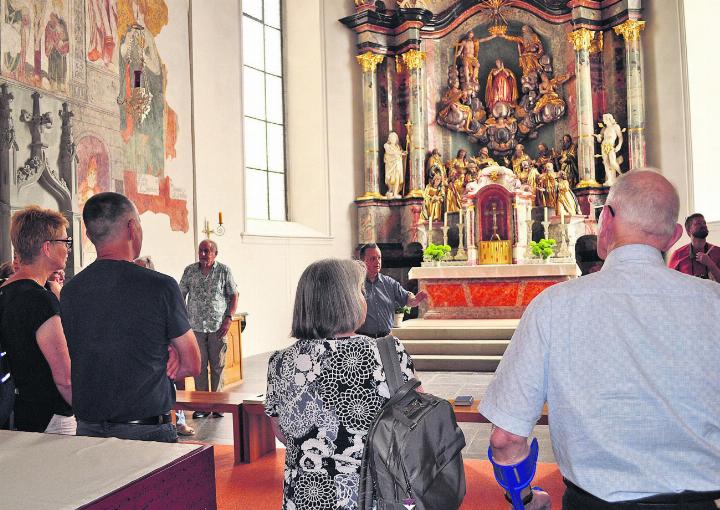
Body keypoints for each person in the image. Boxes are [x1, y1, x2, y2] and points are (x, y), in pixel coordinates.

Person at [480, 170, 720, 509]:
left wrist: (523, 499)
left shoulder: (553, 306)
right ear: (674, 236)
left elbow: (505, 439)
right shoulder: (714, 302)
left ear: (605, 218)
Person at [265, 258, 417, 510]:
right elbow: (414, 420)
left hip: (305, 496)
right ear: (347, 300)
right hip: (371, 495)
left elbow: (281, 431)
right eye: (359, 291)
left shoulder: (280, 361)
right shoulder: (388, 352)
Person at [61, 192, 200, 442]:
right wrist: (169, 354)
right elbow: (192, 364)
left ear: (90, 235)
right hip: (145, 432)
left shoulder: (70, 291)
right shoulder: (160, 286)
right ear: (131, 227)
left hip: (88, 431)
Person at [0, 206, 74, 434]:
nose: (68, 248)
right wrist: (90, 413)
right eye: (65, 241)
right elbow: (64, 379)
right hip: (52, 415)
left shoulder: (5, 291)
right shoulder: (40, 299)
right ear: (47, 248)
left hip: (22, 412)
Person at [134, 255, 195, 436]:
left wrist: (174, 349)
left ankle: (180, 421)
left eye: (140, 269)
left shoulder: (160, 291)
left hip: (165, 356)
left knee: (172, 388)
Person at [179, 239, 238, 419]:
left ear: (215, 253)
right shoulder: (190, 271)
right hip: (195, 327)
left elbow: (233, 295)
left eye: (207, 251)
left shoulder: (224, 271)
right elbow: (180, 294)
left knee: (218, 366)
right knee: (199, 367)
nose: (203, 254)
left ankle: (218, 405)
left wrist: (228, 318)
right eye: (201, 251)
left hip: (217, 327)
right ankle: (203, 406)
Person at [357, 244, 427, 338]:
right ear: (362, 261)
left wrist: (415, 300)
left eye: (379, 258)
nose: (377, 261)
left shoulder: (389, 283)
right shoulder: (355, 284)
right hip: (364, 339)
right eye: (373, 258)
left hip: (386, 338)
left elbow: (407, 298)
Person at [668, 213, 720, 281]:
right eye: (698, 223)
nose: (703, 225)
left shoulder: (718, 252)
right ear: (689, 231)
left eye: (704, 223)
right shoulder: (677, 255)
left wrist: (710, 264)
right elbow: (670, 282)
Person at [595, 113, 624, 186]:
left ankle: (621, 174)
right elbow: (600, 140)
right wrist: (598, 137)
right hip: (603, 146)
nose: (603, 120)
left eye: (604, 119)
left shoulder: (615, 127)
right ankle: (610, 179)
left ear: (609, 119)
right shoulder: (604, 129)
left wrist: (619, 145)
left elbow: (620, 137)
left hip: (611, 146)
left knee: (612, 162)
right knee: (606, 163)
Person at [383, 132, 406, 198]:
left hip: (397, 165)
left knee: (397, 177)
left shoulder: (397, 147)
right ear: (389, 139)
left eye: (394, 138)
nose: (393, 139)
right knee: (389, 178)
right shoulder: (386, 145)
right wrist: (400, 153)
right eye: (391, 137)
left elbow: (399, 154)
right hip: (390, 165)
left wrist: (403, 153)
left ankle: (395, 193)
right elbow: (390, 152)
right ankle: (390, 190)